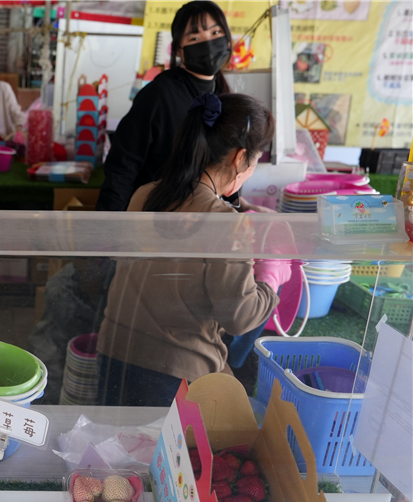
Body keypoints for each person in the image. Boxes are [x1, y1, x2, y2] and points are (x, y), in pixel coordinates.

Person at [96, 93, 290, 407]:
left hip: (113, 353)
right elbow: (240, 316)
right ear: (240, 158)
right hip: (173, 373)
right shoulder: (223, 223)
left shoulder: (145, 194)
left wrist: (237, 217)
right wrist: (272, 276)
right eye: (256, 159)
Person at [98, 1, 244, 212]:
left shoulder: (224, 94)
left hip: (201, 220)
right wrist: (109, 233)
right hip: (156, 221)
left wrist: (239, 207)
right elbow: (122, 168)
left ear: (228, 39)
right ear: (178, 50)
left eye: (215, 32)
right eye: (195, 38)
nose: (208, 44)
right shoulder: (158, 95)